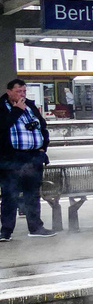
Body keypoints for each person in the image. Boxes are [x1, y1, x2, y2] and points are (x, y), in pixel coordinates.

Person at [0, 78, 54, 241]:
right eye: (18, 91)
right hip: (11, 158)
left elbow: (42, 126)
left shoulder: (30, 105)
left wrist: (43, 147)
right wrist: (16, 111)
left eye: (24, 91)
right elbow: (2, 127)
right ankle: (6, 231)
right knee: (10, 195)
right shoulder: (2, 107)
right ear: (9, 91)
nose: (22, 94)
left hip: (33, 157)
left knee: (32, 194)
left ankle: (36, 227)